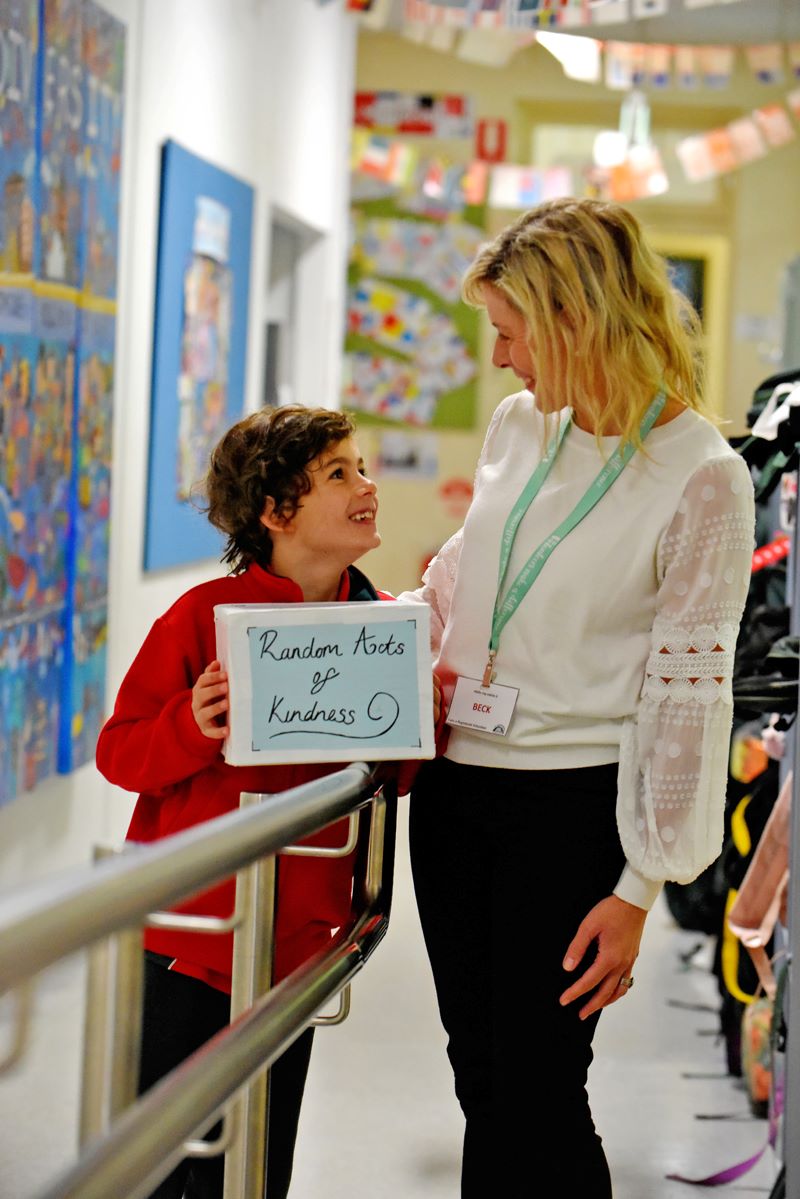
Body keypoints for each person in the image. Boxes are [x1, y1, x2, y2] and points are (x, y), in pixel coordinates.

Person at [403, 198, 755, 1197]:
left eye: (512, 333)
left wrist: (638, 888)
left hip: (572, 811)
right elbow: (461, 579)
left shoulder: (701, 476)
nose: (504, 358)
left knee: (541, 1085)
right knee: (483, 1078)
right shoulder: (520, 425)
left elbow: (686, 697)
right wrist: (361, 641)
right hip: (457, 796)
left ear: (576, 320)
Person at [96, 405, 398, 1199]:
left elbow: (391, 780)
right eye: (340, 473)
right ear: (275, 511)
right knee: (165, 1161)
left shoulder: (382, 625)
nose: (367, 486)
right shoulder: (201, 620)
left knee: (258, 1164)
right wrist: (189, 725)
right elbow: (120, 752)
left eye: (361, 466)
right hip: (187, 942)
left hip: (290, 955)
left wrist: (419, 722)